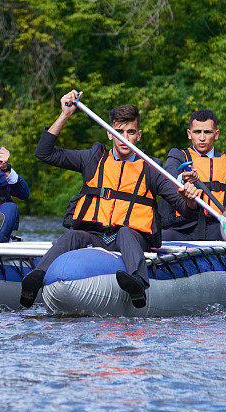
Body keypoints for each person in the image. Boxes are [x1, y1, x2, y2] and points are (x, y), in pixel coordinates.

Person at [20, 90, 200, 308]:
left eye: (131, 132)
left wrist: (189, 198)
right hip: (95, 234)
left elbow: (187, 209)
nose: (125, 138)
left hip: (132, 237)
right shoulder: (92, 158)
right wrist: (64, 115)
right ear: (109, 133)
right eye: (119, 131)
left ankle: (138, 284)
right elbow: (44, 153)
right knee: (73, 235)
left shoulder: (151, 168)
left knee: (126, 232)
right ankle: (36, 278)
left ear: (139, 135)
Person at [159, 109, 226, 306]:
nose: (202, 138)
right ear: (189, 134)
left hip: (218, 227)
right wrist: (183, 178)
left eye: (207, 132)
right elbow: (169, 175)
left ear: (216, 134)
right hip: (185, 227)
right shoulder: (178, 155)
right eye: (197, 132)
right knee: (158, 239)